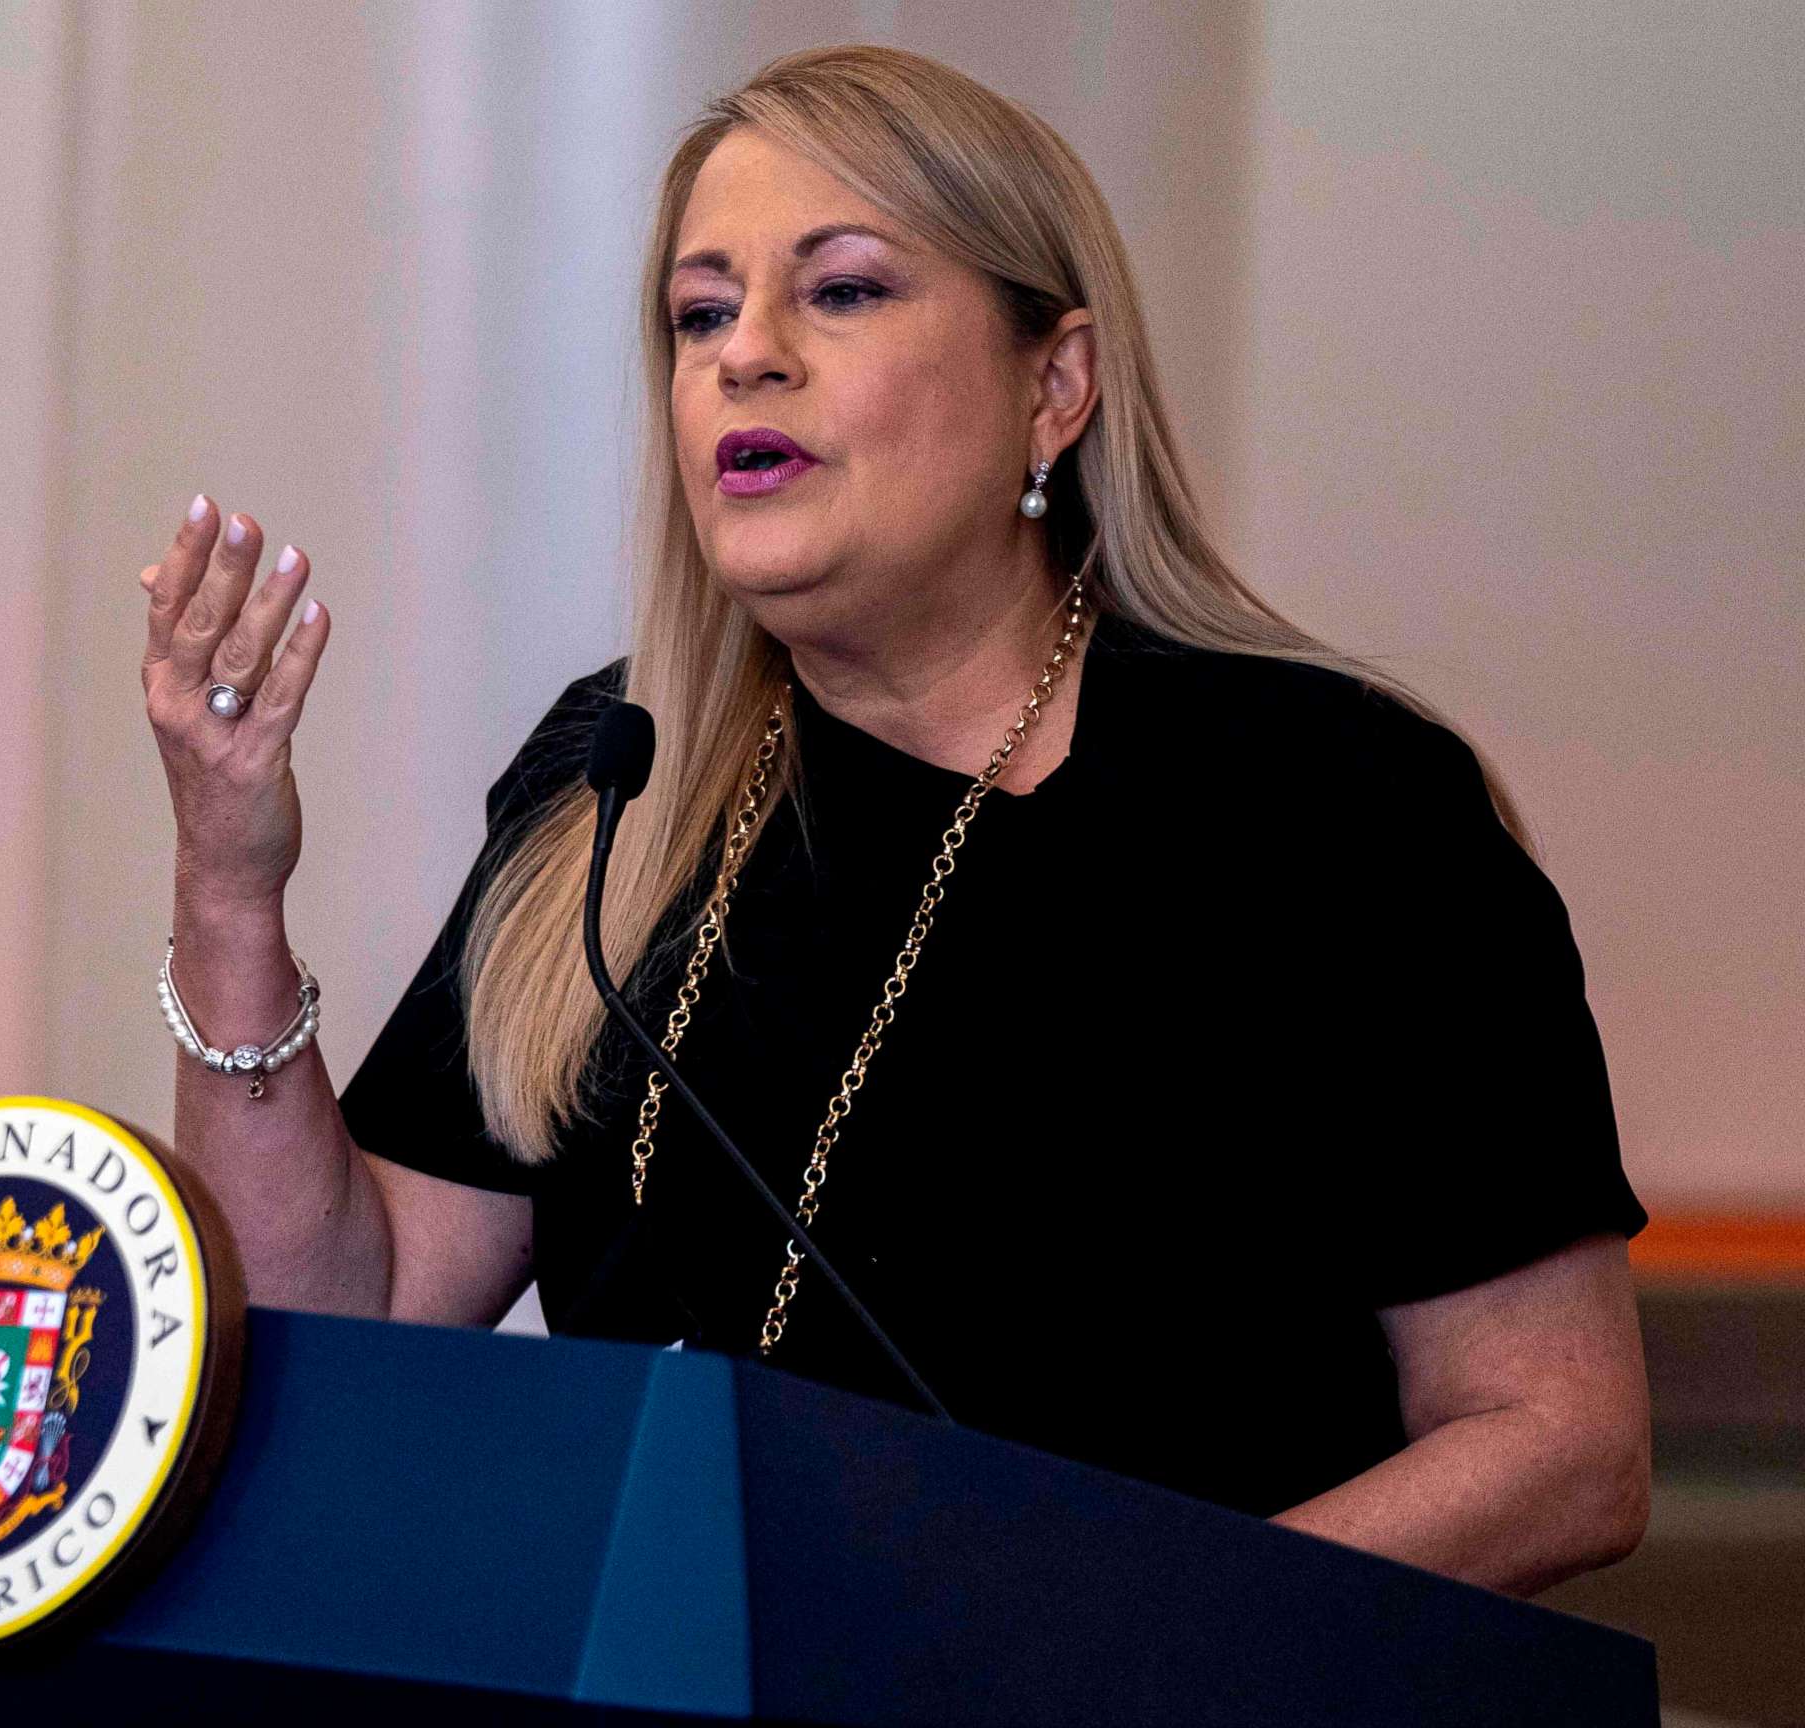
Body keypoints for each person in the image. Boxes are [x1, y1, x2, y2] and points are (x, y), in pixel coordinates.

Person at [133, 45, 1649, 1598]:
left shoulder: (1328, 802)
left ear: (1052, 385)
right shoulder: (619, 778)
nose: (748, 357)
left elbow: (1558, 1442)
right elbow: (349, 1326)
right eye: (701, 314)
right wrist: (231, 889)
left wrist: (1119, 1656)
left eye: (842, 291)